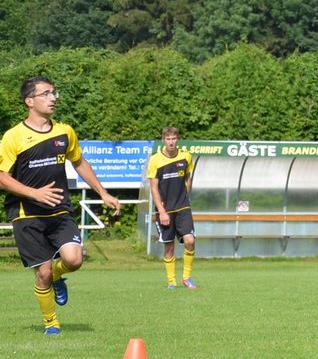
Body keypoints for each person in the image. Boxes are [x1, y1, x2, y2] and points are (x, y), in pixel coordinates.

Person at [0, 77, 123, 335]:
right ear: (29, 101)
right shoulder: (13, 136)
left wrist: (103, 193)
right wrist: (34, 193)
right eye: (46, 93)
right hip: (26, 214)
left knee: (74, 259)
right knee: (43, 273)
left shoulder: (65, 132)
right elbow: (2, 177)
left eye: (54, 93)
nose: (53, 98)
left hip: (59, 210)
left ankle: (58, 277)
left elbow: (79, 163)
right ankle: (51, 324)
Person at [145, 126, 198, 289]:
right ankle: (171, 281)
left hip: (182, 207)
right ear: (163, 140)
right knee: (169, 246)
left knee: (190, 241)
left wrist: (185, 196)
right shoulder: (155, 160)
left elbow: (188, 178)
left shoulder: (186, 156)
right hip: (165, 210)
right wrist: (161, 211)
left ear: (178, 139)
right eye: (168, 139)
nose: (171, 142)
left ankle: (187, 278)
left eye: (173, 138)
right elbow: (154, 187)